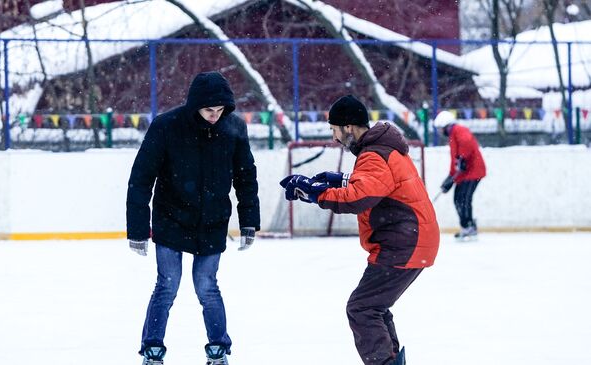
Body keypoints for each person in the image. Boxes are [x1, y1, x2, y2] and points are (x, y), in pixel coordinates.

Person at [280, 95, 440, 365]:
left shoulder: (374, 154)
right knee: (374, 307)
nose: (334, 138)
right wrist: (338, 179)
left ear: (349, 127)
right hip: (410, 240)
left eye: (335, 131)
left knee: (363, 308)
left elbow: (358, 198)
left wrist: (314, 192)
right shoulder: (381, 149)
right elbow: (377, 186)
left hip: (404, 243)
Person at [126, 71, 260, 365]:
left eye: (220, 110)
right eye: (209, 110)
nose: (215, 116)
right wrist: (137, 228)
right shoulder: (167, 126)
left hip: (212, 221)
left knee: (207, 285)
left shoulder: (234, 128)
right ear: (195, 106)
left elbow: (245, 177)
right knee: (167, 284)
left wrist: (249, 219)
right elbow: (141, 177)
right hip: (170, 218)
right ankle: (152, 348)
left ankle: (218, 348)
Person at [433, 110, 486, 240]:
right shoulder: (453, 136)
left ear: (446, 126)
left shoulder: (459, 130)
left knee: (464, 199)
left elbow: (466, 144)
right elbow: (455, 161)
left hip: (473, 171)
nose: (440, 132)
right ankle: (467, 225)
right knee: (458, 199)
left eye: (440, 129)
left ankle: (469, 227)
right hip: (465, 173)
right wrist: (449, 179)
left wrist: (462, 158)